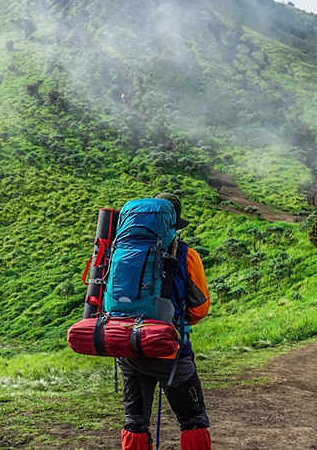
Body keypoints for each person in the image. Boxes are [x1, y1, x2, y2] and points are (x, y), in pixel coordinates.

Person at [119, 192, 211, 450]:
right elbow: (200, 308)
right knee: (193, 420)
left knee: (135, 422)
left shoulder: (122, 249)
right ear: (173, 222)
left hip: (128, 346)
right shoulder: (186, 255)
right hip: (170, 353)